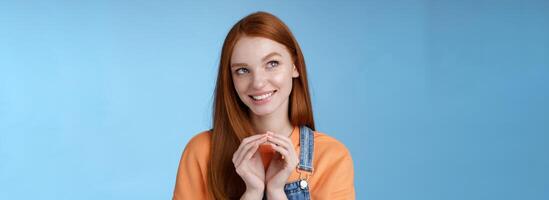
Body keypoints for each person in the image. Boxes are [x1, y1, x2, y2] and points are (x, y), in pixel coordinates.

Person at [173, 11, 355, 200]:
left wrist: (276, 192)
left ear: (295, 66)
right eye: (242, 70)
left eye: (272, 63)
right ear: (231, 79)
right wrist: (252, 193)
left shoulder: (331, 157)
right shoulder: (202, 151)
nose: (258, 83)